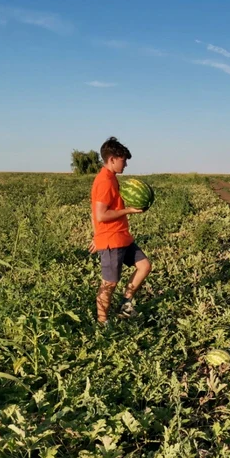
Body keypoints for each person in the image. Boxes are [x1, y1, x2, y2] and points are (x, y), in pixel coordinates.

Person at [89, 137, 152, 325]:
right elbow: (100, 215)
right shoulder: (104, 182)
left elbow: (94, 214)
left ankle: (126, 304)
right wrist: (129, 210)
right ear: (112, 159)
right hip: (112, 240)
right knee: (109, 284)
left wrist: (96, 235)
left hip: (121, 237)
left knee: (144, 266)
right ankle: (102, 322)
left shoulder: (111, 178)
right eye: (123, 160)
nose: (125, 164)